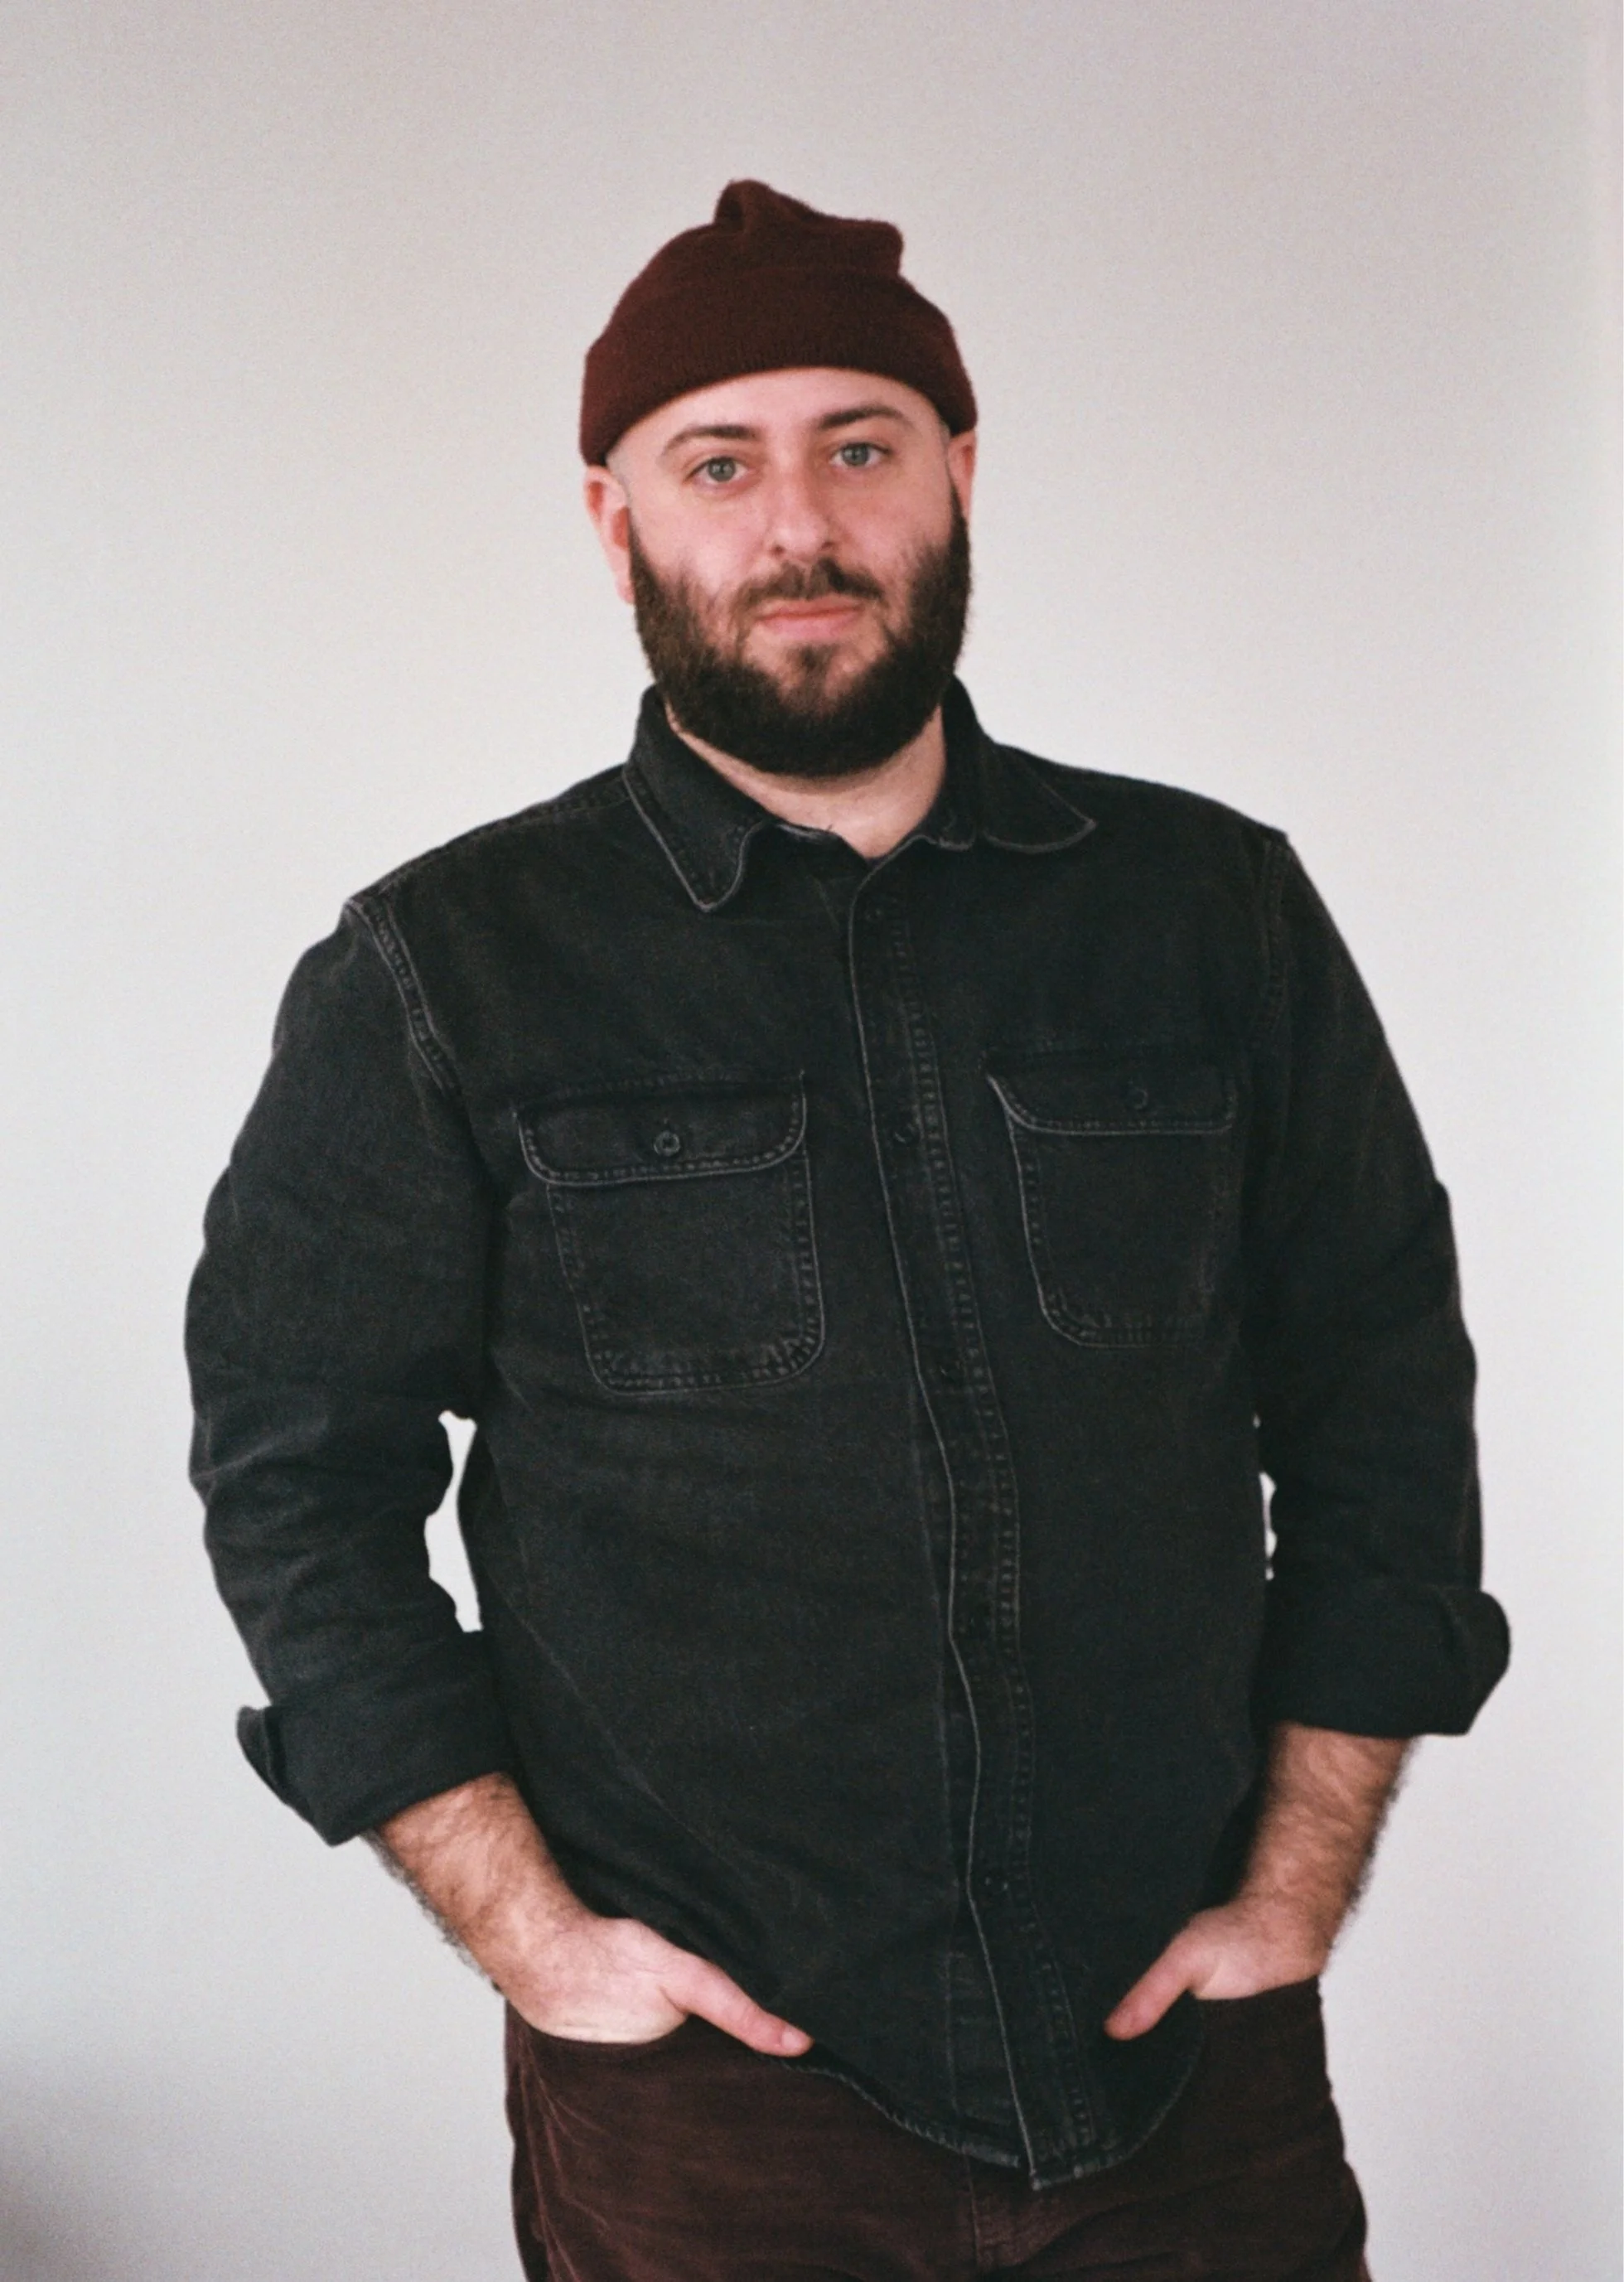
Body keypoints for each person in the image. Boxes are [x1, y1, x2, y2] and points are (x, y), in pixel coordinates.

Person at [186, 181, 1510, 2281]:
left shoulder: (1210, 914)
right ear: (616, 525)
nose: (796, 524)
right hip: (721, 2117)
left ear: (958, 480)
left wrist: (1294, 1892)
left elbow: (1377, 1402)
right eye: (718, 463)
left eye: (857, 447)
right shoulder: (444, 970)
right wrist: (536, 1943)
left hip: (1191, 2081)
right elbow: (297, 1481)